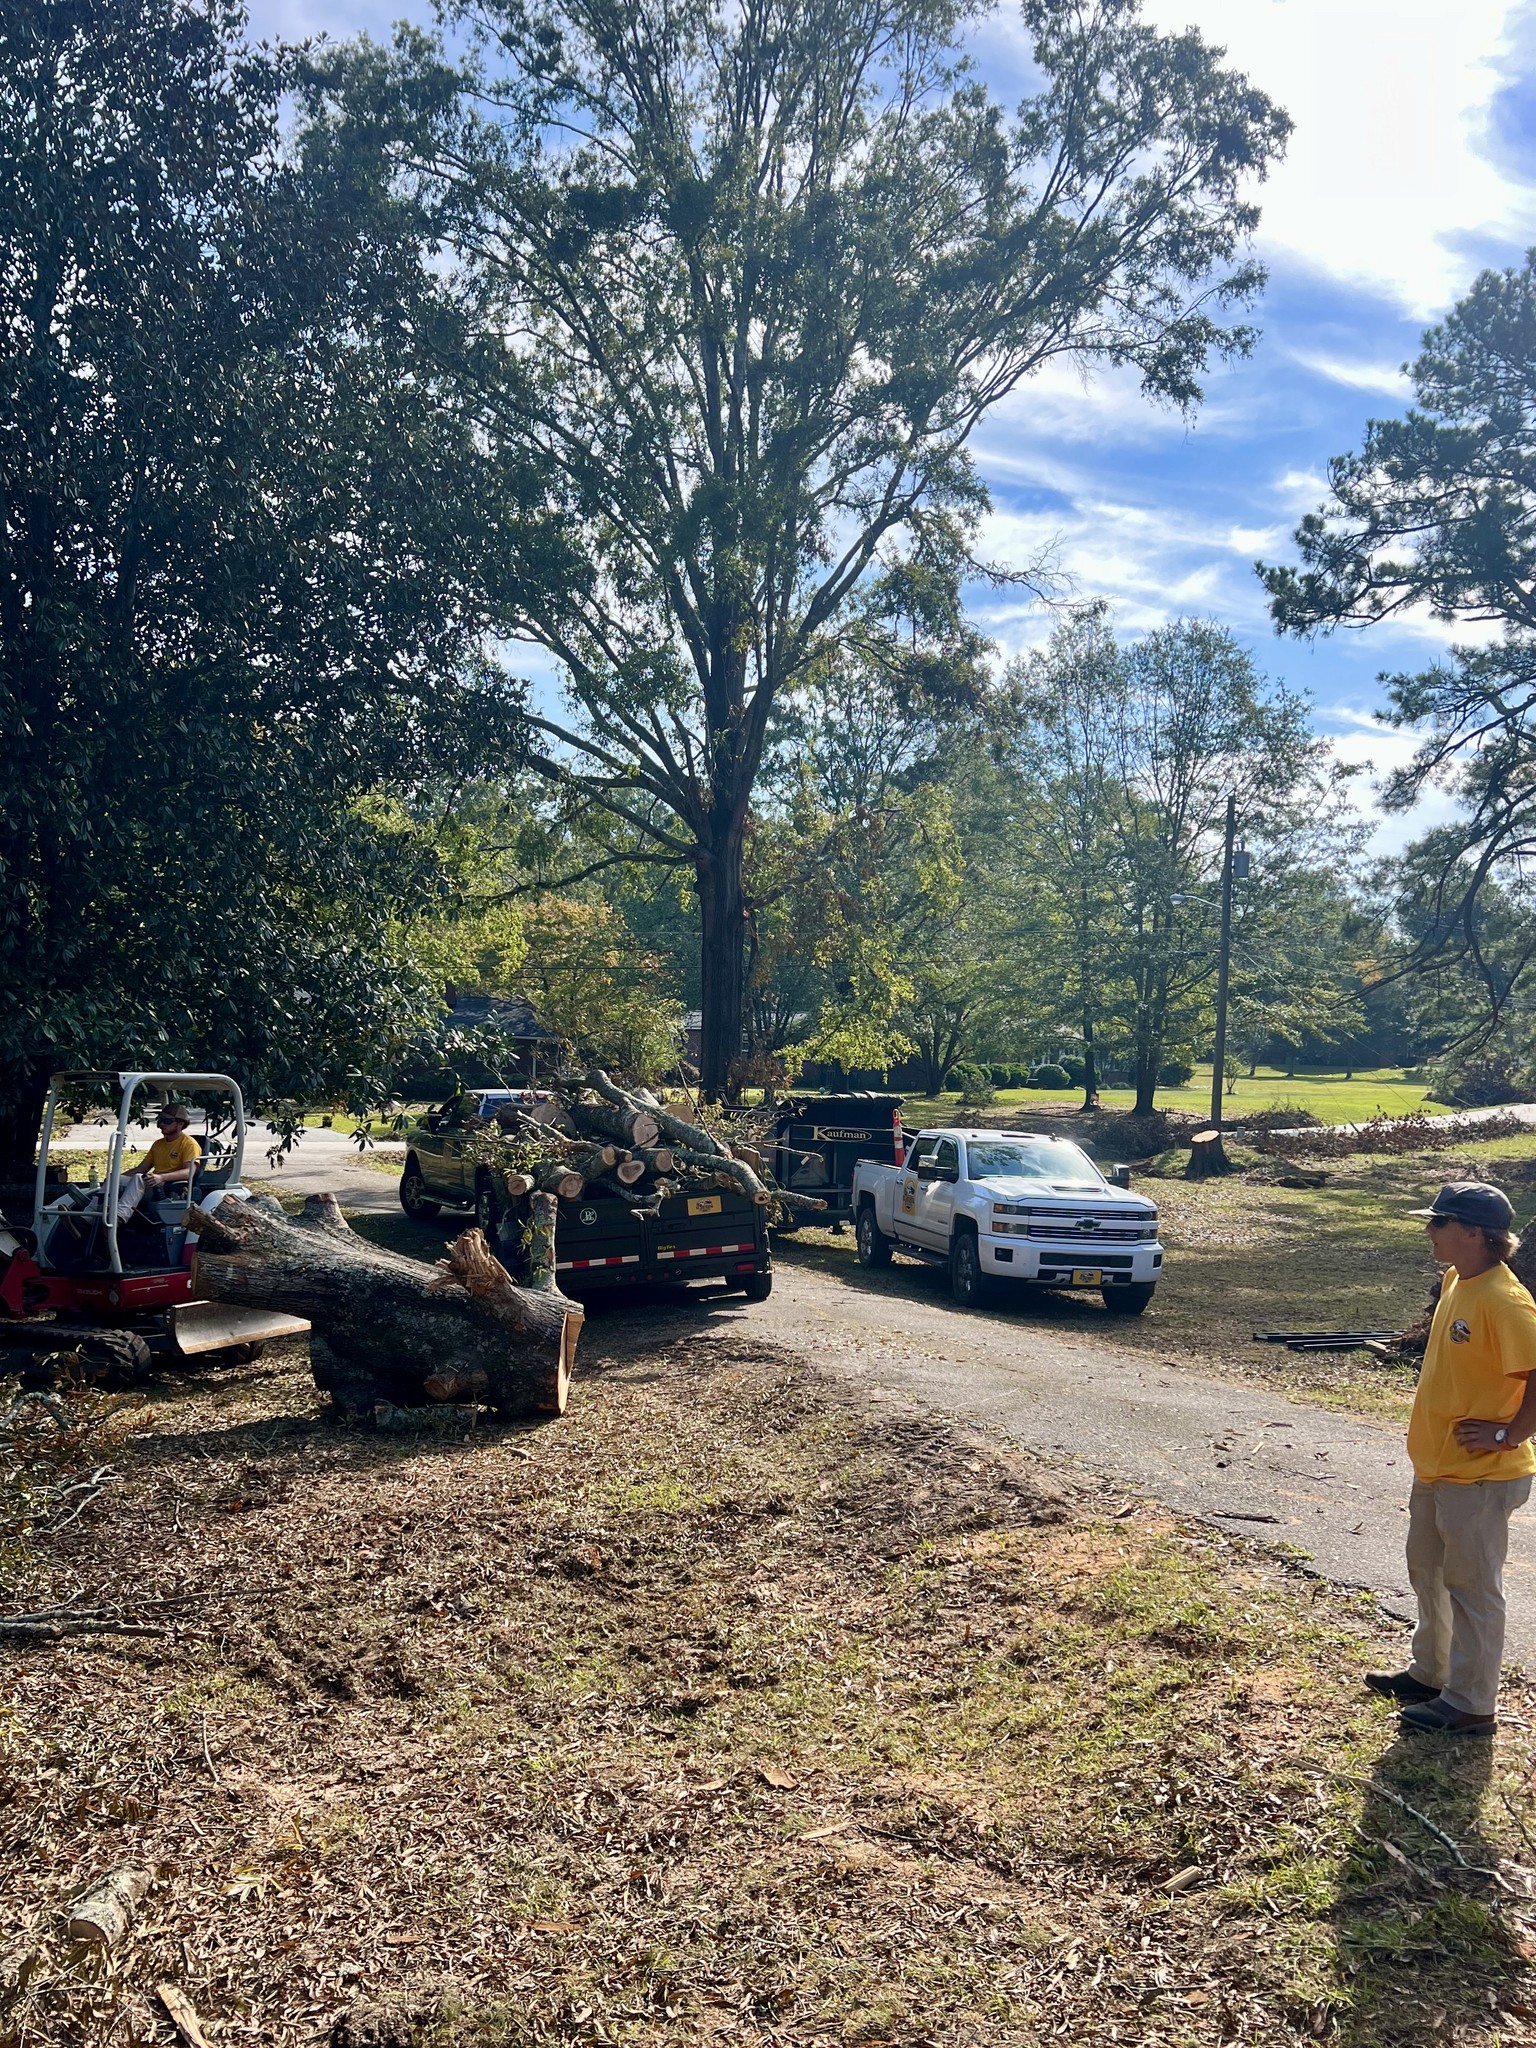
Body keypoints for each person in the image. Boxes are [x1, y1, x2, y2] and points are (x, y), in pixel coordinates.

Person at [1365, 1182, 1536, 1737]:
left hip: (1482, 1477)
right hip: (1438, 1467)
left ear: (1472, 1233)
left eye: (1437, 1223)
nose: (1428, 1230)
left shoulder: (1506, 1301)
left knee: (1473, 1589)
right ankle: (1432, 1673)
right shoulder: (1455, 1280)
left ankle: (1471, 1704)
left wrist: (1509, 1434)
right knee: (1429, 1573)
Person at [117, 1103, 202, 1222]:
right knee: (114, 1180)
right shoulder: (158, 1144)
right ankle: (87, 1219)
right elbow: (141, 1169)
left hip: (169, 1188)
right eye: (160, 1120)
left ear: (180, 1124)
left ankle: (118, 1218)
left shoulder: (189, 1144)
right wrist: (117, 1178)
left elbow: (188, 1172)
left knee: (138, 1178)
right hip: (152, 1184)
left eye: (167, 1121)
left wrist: (161, 1177)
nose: (161, 1124)